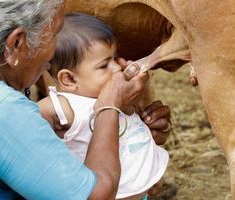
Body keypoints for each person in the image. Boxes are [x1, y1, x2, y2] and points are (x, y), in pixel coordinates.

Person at [0, 0, 171, 199]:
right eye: (56, 32)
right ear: (15, 44)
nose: (56, 49)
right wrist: (109, 106)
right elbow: (95, 196)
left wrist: (126, 135)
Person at [37, 13, 172, 200]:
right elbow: (27, 120)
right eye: (104, 65)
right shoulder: (63, 106)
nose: (116, 68)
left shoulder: (116, 94)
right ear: (68, 79)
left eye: (115, 58)